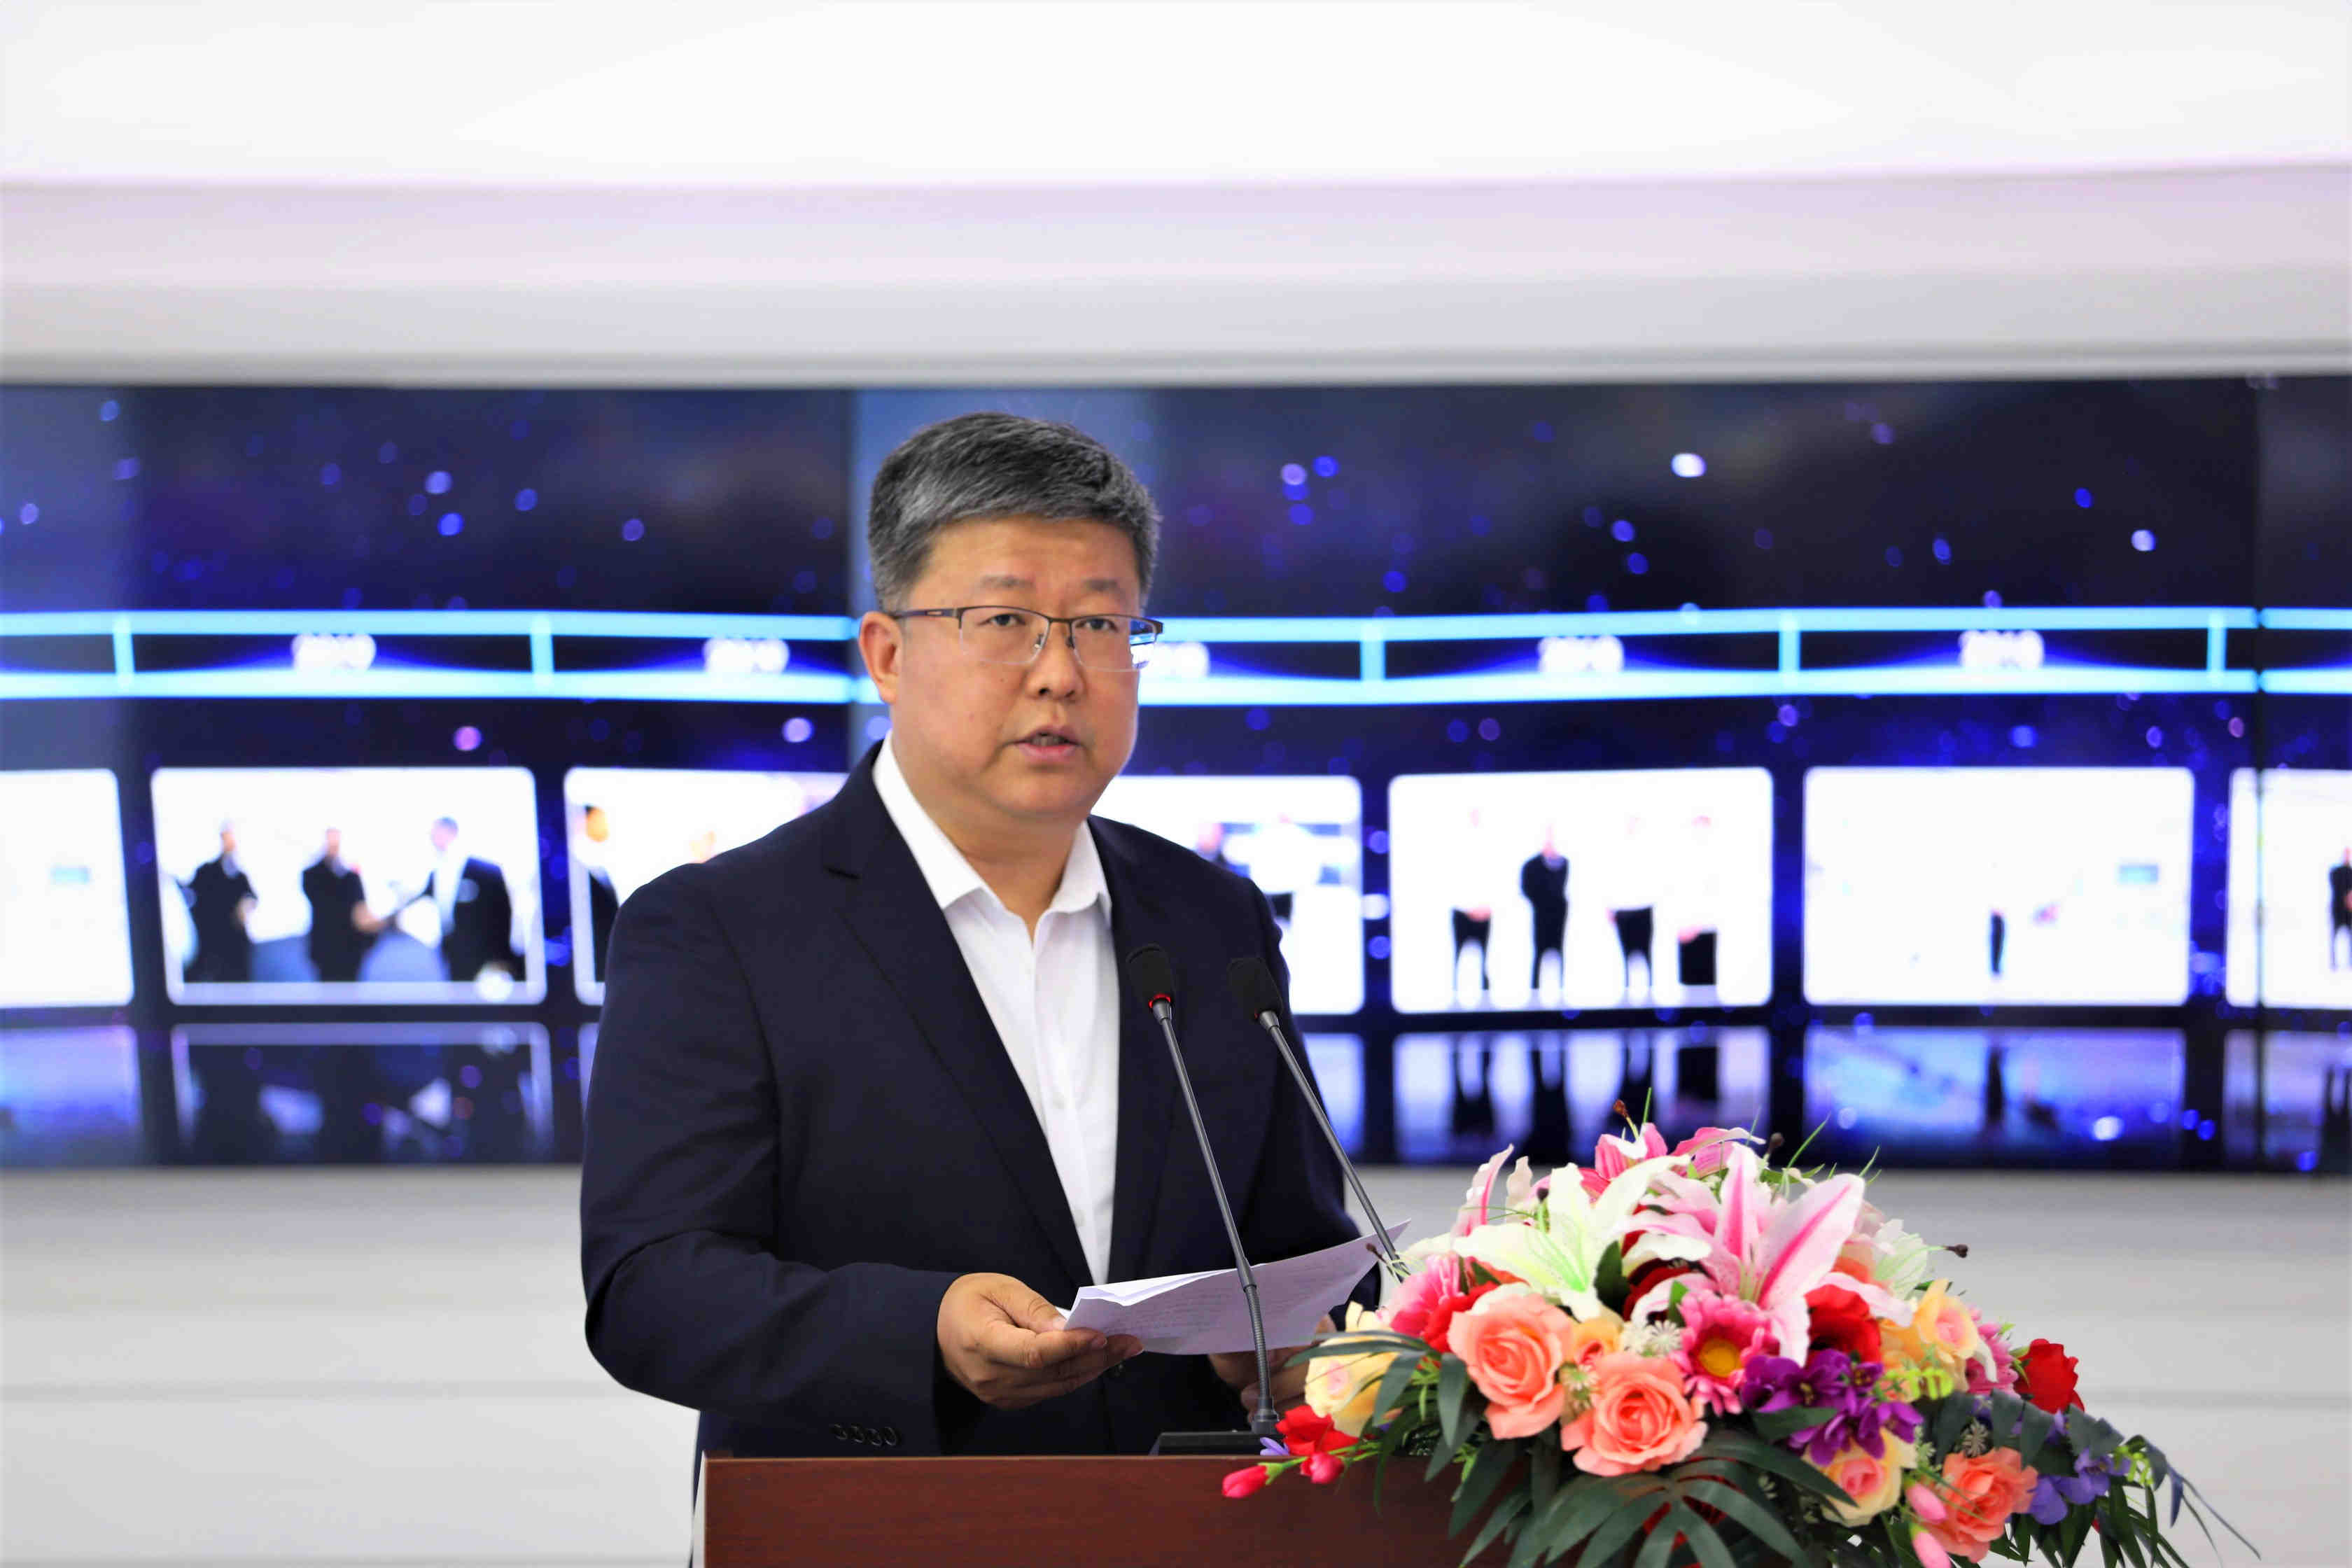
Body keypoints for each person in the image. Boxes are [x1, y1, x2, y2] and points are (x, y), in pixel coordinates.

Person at [580, 414, 1365, 1474]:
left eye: (1100, 625)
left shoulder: (1212, 918)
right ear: (888, 654)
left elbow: (1302, 1248)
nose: (1061, 673)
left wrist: (1307, 1349)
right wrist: (925, 1330)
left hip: (1192, 1523)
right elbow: (651, 1291)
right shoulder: (717, 929)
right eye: (1006, 620)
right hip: (873, 1529)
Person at [413, 818, 520, 984]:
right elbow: (418, 902)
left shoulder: (486, 872)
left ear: (452, 833)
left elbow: (503, 914)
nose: (434, 839)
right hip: (450, 955)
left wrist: (501, 957)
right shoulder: (436, 874)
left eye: (438, 833)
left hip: (485, 958)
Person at [301, 827, 382, 983]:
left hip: (351, 948)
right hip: (326, 947)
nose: (334, 845)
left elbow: (360, 906)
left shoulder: (351, 876)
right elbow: (325, 905)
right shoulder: (311, 875)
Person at [181, 823, 256, 984]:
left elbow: (251, 897)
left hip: (235, 942)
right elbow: (191, 895)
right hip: (213, 940)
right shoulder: (206, 872)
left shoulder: (239, 875)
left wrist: (245, 907)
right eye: (227, 838)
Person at [1519, 827, 1569, 999]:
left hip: (1559, 918)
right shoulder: (1532, 865)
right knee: (1539, 954)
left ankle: (1561, 994)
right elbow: (1526, 889)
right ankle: (1534, 995)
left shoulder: (1564, 863)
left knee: (1559, 953)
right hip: (1541, 917)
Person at [2329, 849, 2352, 971]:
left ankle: (2350, 961)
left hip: (2348, 911)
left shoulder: (2350, 872)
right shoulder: (2336, 872)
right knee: (2334, 936)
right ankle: (2333, 962)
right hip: (2337, 909)